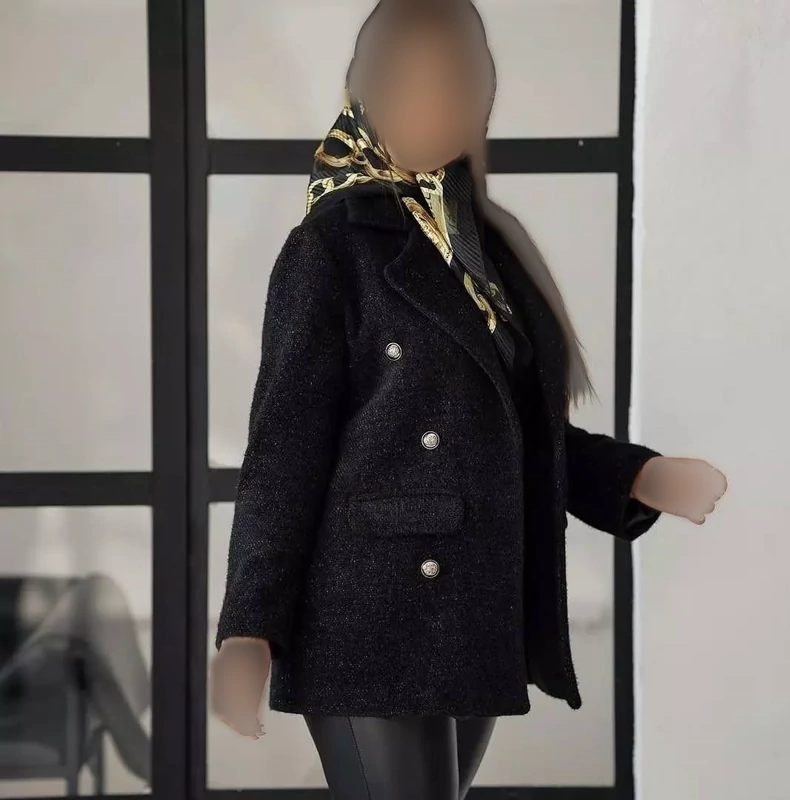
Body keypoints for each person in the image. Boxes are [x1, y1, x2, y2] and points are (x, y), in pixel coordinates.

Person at [210, 1, 728, 798]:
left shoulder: (479, 246)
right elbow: (282, 453)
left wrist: (637, 476)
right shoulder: (328, 250)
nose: (437, 109)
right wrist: (249, 625)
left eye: (457, 88)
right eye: (413, 87)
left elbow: (518, 431)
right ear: (366, 90)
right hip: (371, 620)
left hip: (472, 614)